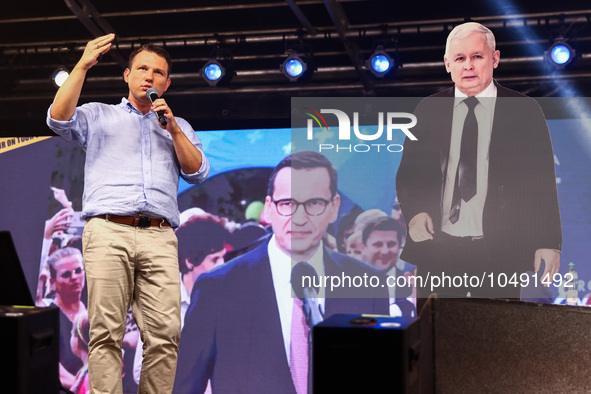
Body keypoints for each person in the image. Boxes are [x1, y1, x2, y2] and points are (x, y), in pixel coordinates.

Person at [46, 34, 209, 393]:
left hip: (160, 235)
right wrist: (83, 64)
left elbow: (197, 171)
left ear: (167, 83)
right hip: (108, 231)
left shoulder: (176, 125)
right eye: (142, 69)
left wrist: (174, 129)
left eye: (158, 72)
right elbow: (58, 119)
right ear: (127, 75)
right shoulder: (98, 114)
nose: (149, 76)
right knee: (105, 332)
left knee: (166, 334)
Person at [173, 151, 388, 393]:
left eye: (314, 203)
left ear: (334, 207)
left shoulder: (368, 285)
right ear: (269, 208)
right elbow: (185, 387)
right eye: (287, 203)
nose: (299, 218)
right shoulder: (218, 288)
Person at [396, 22, 561, 302]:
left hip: (499, 252)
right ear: (448, 64)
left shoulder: (524, 111)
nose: (468, 66)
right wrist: (415, 212)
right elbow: (409, 175)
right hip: (438, 250)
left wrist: (548, 241)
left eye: (477, 56)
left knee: (495, 340)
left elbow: (541, 181)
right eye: (460, 58)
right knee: (436, 340)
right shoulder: (427, 110)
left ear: (494, 58)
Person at [46, 247, 87, 390]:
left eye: (78, 270)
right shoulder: (47, 317)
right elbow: (56, 372)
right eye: (66, 274)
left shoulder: (94, 305)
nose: (74, 277)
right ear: (52, 281)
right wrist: (86, 388)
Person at [360, 216, 416, 317]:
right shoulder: (346, 283)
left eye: (391, 244)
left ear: (400, 246)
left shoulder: (411, 287)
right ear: (363, 247)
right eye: (378, 244)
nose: (385, 251)